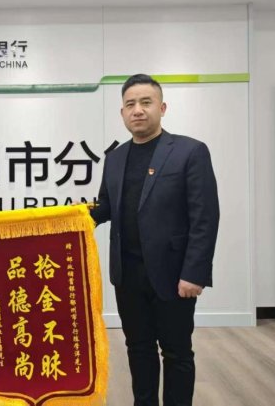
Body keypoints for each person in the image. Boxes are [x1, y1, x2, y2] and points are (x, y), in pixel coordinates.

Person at [90, 74, 219, 406]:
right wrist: (65, 218)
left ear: (162, 108)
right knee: (138, 349)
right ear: (122, 113)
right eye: (130, 104)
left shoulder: (190, 151)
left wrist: (194, 273)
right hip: (128, 275)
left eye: (146, 102)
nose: (138, 110)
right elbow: (104, 207)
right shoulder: (115, 158)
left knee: (176, 352)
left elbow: (205, 218)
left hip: (174, 275)